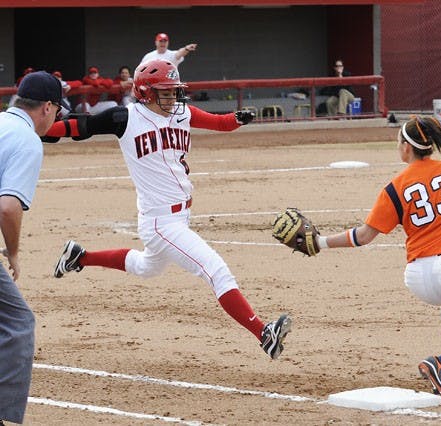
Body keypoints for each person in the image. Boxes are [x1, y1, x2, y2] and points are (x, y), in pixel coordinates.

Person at [45, 59, 291, 361]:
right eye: (166, 91)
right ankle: (264, 333)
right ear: (146, 92)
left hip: (178, 216)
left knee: (148, 267)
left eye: (175, 90)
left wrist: (238, 118)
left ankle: (79, 257)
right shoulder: (125, 117)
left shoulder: (181, 113)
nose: (173, 97)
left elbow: (220, 123)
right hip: (160, 221)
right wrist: (38, 127)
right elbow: (78, 126)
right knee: (215, 270)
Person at [312, 115, 441, 404]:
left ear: (407, 148)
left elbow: (363, 236)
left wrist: (320, 242)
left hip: (418, 277)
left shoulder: (395, 187)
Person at [0, 71, 64, 424]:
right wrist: (13, 251)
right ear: (47, 108)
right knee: (18, 323)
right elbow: (8, 206)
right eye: (57, 111)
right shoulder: (27, 140)